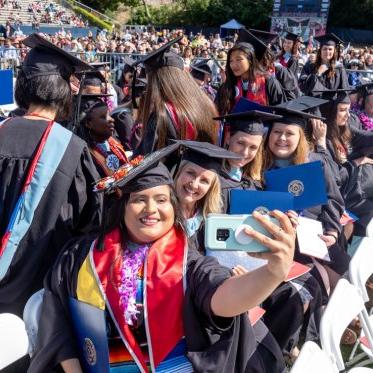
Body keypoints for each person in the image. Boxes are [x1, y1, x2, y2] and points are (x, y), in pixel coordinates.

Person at [29, 142, 296, 373]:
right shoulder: (79, 256)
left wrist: (272, 272)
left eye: (161, 200)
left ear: (173, 206)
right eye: (139, 199)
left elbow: (221, 298)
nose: (151, 209)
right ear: (122, 207)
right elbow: (57, 325)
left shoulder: (187, 263)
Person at [263, 102, 348, 281]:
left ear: (300, 137)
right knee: (317, 282)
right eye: (277, 132)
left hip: (317, 234)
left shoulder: (314, 164)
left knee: (344, 274)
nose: (282, 138)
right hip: (283, 243)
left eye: (289, 133)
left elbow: (333, 199)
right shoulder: (260, 169)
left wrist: (332, 231)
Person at [135, 36, 219, 155]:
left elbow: (146, 160)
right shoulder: (206, 104)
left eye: (150, 82)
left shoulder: (163, 114)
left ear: (157, 83)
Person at [313, 89, 373, 237]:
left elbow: (367, 138)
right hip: (339, 196)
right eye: (342, 110)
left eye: (348, 110)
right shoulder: (322, 137)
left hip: (353, 188)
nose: (348, 115)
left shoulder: (343, 129)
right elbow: (334, 178)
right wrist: (356, 162)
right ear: (330, 111)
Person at [216, 28, 286, 116]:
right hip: (233, 129)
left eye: (239, 60)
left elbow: (281, 112)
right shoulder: (227, 86)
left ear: (251, 60)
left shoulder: (269, 82)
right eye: (231, 61)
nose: (234, 65)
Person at [76, 94, 129, 178]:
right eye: (103, 117)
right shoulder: (84, 154)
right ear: (88, 123)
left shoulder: (113, 142)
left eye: (109, 114)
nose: (111, 119)